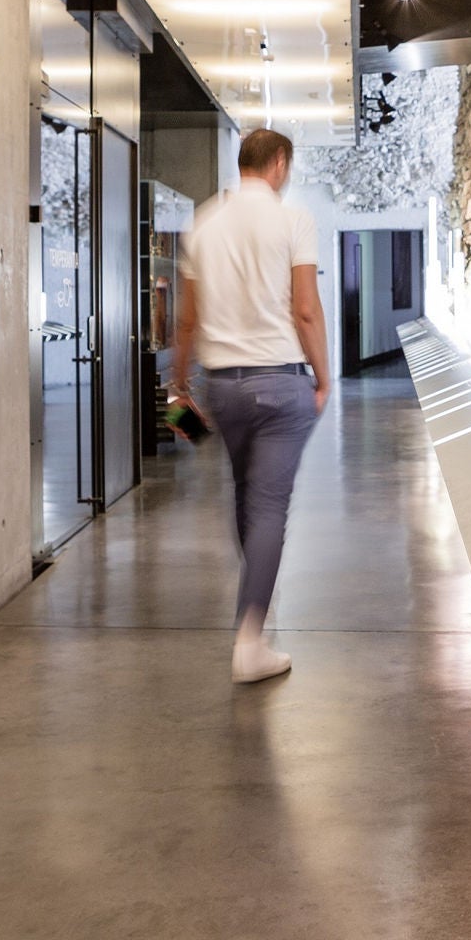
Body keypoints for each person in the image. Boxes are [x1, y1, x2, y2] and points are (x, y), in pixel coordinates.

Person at [173, 129, 332, 683]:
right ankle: (249, 641)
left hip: (222, 388)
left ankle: (255, 599)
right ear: (281, 165)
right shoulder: (293, 221)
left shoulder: (204, 222)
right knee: (269, 507)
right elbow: (305, 309)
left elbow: (187, 319)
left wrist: (178, 388)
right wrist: (323, 376)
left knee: (247, 496)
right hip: (280, 383)